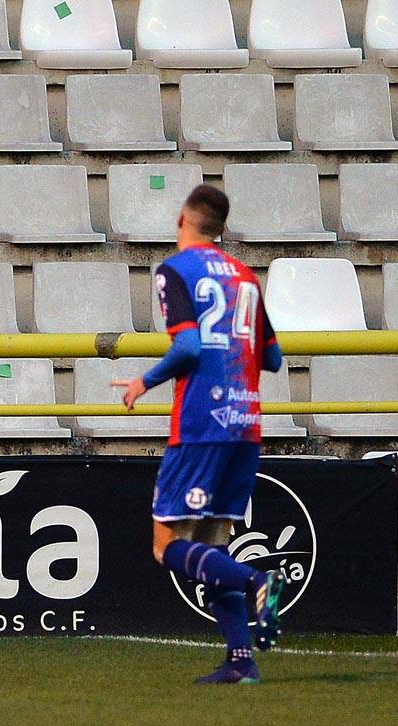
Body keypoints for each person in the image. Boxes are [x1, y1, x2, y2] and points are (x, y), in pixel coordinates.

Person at [112, 185, 287, 685]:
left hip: (201, 426)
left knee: (167, 545)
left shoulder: (176, 270)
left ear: (182, 219)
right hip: (246, 425)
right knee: (213, 552)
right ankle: (241, 661)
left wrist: (143, 382)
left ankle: (259, 582)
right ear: (220, 226)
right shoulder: (245, 277)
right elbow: (272, 358)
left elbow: (187, 346)